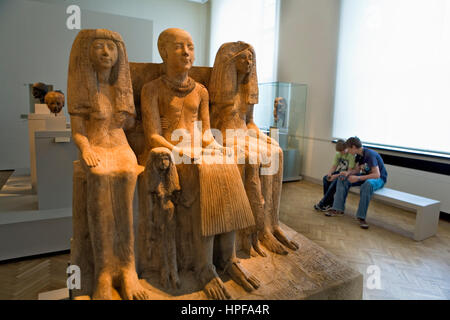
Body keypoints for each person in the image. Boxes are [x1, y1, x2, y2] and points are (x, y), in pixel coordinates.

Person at [140, 28, 259, 300]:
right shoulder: (152, 89)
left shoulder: (200, 91)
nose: (186, 52)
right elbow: (152, 135)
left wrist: (216, 148)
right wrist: (182, 151)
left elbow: (206, 133)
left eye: (191, 47)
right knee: (205, 172)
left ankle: (228, 259)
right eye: (179, 47)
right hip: (172, 152)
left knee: (227, 163)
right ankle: (205, 267)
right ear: (163, 52)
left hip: (198, 152)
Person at [68, 29, 150, 300]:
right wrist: (86, 149)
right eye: (99, 47)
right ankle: (104, 270)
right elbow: (78, 131)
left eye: (111, 48)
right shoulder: (85, 88)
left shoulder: (118, 88)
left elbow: (126, 127)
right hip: (96, 145)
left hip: (119, 145)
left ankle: (127, 267)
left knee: (127, 173)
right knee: (101, 176)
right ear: (86, 53)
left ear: (119, 55)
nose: (106, 53)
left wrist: (125, 116)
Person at [209, 41, 299, 257]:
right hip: (224, 135)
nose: (248, 62)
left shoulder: (246, 90)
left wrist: (263, 137)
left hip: (244, 134)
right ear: (230, 62)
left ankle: (271, 224)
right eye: (243, 58)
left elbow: (249, 123)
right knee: (252, 157)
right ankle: (253, 230)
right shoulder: (222, 92)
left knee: (275, 151)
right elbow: (212, 125)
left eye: (251, 58)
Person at [326, 137, 388, 229]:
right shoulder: (359, 155)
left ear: (354, 147)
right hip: (366, 177)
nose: (347, 150)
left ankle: (361, 217)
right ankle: (338, 209)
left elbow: (376, 175)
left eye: (348, 148)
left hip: (378, 179)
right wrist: (347, 173)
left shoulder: (370, 154)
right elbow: (357, 169)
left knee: (367, 185)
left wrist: (358, 178)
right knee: (342, 178)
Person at [314, 139, 355, 212]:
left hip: (346, 175)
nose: (341, 153)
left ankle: (322, 203)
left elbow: (349, 171)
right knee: (325, 178)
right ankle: (329, 203)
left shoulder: (351, 156)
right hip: (339, 172)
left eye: (343, 151)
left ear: (346, 148)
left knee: (334, 182)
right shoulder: (338, 154)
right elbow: (334, 167)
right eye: (339, 151)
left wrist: (335, 176)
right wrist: (329, 173)